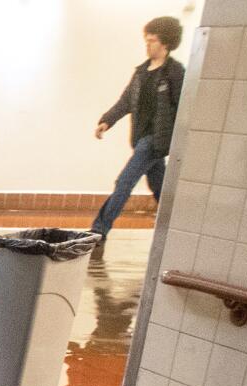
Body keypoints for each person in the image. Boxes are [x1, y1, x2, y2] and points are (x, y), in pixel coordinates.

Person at [90, 16, 184, 242]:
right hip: (142, 138)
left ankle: (98, 230)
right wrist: (107, 120)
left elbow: (183, 105)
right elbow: (126, 101)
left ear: (166, 43)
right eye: (146, 40)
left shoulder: (175, 72)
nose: (147, 44)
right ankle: (179, 225)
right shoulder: (142, 72)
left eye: (152, 40)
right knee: (159, 186)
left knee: (124, 182)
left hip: (155, 140)